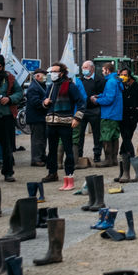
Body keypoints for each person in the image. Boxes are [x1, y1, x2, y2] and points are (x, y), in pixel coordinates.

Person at [42, 61, 85, 189]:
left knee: (68, 149)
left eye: (54, 72)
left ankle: (69, 174)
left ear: (61, 73)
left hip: (65, 123)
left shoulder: (70, 86)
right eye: (51, 72)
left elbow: (81, 102)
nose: (52, 74)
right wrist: (45, 102)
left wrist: (77, 118)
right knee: (52, 150)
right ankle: (52, 172)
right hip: (51, 123)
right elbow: (44, 103)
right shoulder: (51, 86)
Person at [90, 61, 123, 167]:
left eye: (103, 70)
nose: (102, 72)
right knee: (114, 136)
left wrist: (97, 101)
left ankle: (108, 159)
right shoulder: (116, 80)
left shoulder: (110, 82)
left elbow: (109, 99)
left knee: (106, 137)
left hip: (109, 114)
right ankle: (113, 159)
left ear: (108, 70)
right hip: (116, 114)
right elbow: (110, 95)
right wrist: (100, 95)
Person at [0, 54, 23, 182]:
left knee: (7, 146)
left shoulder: (9, 77)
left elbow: (19, 92)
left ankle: (8, 172)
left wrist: (9, 99)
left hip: (6, 117)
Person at [77, 60, 104, 162]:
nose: (83, 70)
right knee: (80, 134)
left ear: (92, 68)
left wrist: (97, 99)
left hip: (95, 110)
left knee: (97, 134)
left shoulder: (100, 80)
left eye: (85, 67)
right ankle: (79, 155)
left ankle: (97, 155)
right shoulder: (79, 80)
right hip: (82, 110)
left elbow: (103, 94)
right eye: (82, 68)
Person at [118, 66, 138, 160]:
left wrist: (137, 108)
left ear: (129, 76)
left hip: (133, 114)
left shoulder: (134, 84)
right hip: (122, 114)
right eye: (122, 74)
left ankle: (123, 151)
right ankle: (131, 154)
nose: (123, 76)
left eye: (125, 75)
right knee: (125, 135)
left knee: (129, 134)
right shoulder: (118, 84)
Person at [26, 68, 48, 167]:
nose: (45, 77)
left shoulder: (41, 85)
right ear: (37, 76)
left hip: (41, 117)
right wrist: (44, 103)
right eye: (44, 75)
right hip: (36, 117)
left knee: (42, 138)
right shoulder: (33, 88)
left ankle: (42, 156)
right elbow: (35, 102)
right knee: (37, 139)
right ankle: (36, 159)